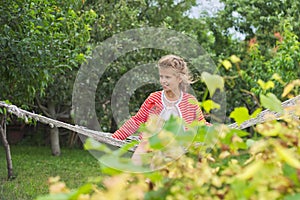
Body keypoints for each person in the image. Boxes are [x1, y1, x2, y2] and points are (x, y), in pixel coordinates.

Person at [111, 54, 210, 166]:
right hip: (152, 140)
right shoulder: (154, 98)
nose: (163, 81)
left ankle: (154, 177)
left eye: (167, 77)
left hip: (178, 142)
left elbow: (201, 124)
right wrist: (116, 137)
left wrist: (220, 132)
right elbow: (137, 120)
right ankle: (133, 173)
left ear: (179, 79)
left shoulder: (190, 101)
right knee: (145, 143)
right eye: (161, 76)